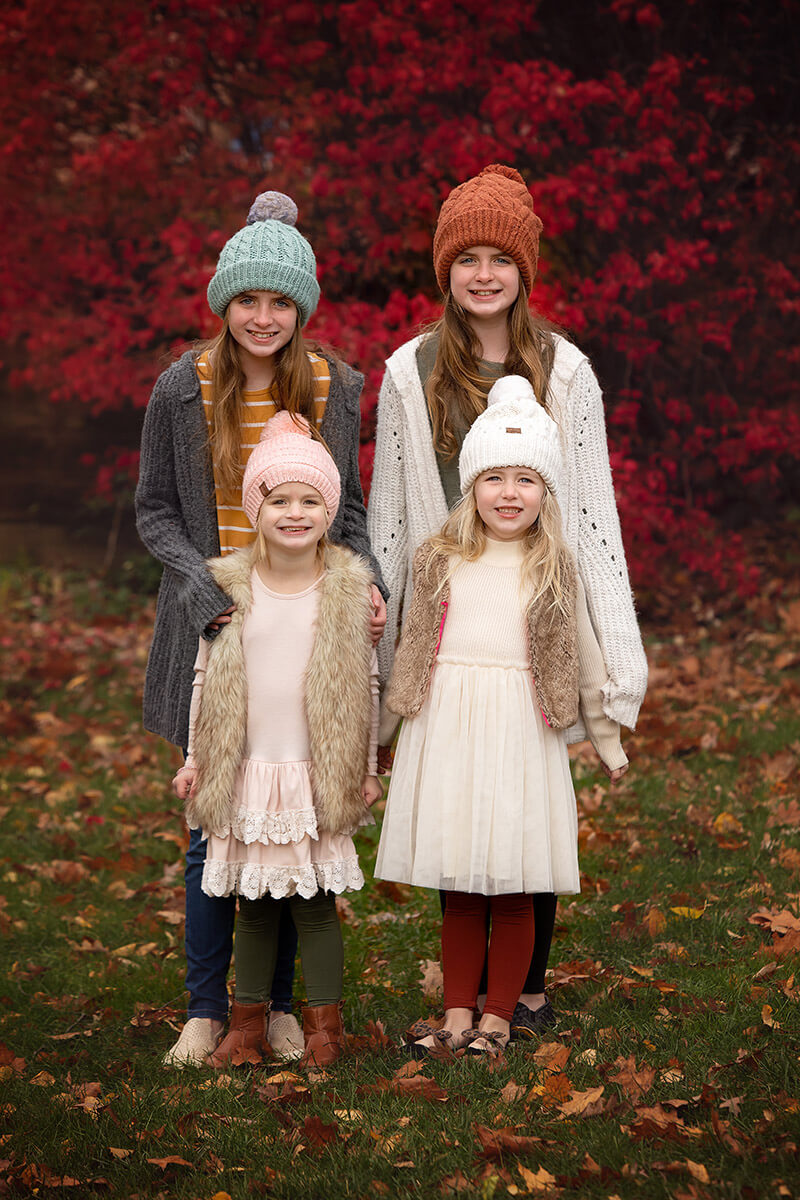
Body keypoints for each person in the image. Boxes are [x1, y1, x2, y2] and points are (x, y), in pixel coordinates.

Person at [367, 164, 647, 1039]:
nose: (483, 275)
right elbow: (390, 519)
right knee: (461, 798)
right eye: (467, 259)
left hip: (538, 615)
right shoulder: (409, 373)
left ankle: (523, 992)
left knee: (527, 801)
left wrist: (617, 655)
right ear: (444, 271)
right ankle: (468, 995)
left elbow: (593, 517)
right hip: (451, 623)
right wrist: (382, 653)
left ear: (524, 271)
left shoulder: (567, 371)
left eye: (500, 259)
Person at [135, 190, 387, 1068]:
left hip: (304, 629)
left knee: (293, 818)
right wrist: (203, 583)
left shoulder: (336, 387)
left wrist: (367, 584)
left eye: (281, 301)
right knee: (214, 827)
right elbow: (156, 511)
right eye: (248, 299)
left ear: (302, 308)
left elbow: (348, 512)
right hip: (215, 624)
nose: (264, 317)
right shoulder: (183, 387)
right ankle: (208, 1009)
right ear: (224, 302)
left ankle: (278, 1006)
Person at [375, 377, 628, 1056]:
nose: (509, 493)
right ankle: (457, 1014)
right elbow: (410, 652)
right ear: (471, 486)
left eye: (526, 479)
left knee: (515, 886)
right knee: (460, 887)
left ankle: (498, 1018)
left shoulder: (554, 566)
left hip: (519, 733)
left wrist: (607, 740)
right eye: (494, 478)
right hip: (448, 731)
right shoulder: (438, 559)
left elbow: (584, 656)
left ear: (546, 491)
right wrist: (378, 739)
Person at [172, 413, 381, 1068]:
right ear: (255, 511)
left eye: (310, 500)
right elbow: (203, 679)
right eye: (279, 500)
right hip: (249, 771)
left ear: (330, 509)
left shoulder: (347, 590)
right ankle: (246, 1027)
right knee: (254, 906)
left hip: (315, 771)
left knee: (315, 905)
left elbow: (367, 684)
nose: (295, 513)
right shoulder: (229, 588)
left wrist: (367, 767)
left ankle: (324, 1032)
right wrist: (195, 759)